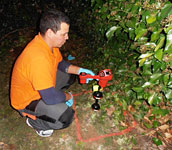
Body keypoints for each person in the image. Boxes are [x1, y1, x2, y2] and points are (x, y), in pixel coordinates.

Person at [10, 9, 95, 137]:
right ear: (50, 32)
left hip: (40, 86)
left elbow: (60, 64)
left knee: (70, 75)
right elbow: (50, 98)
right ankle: (36, 123)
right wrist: (67, 96)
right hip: (27, 100)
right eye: (64, 34)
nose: (67, 37)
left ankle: (50, 91)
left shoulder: (48, 44)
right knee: (65, 116)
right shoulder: (37, 58)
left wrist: (80, 71)